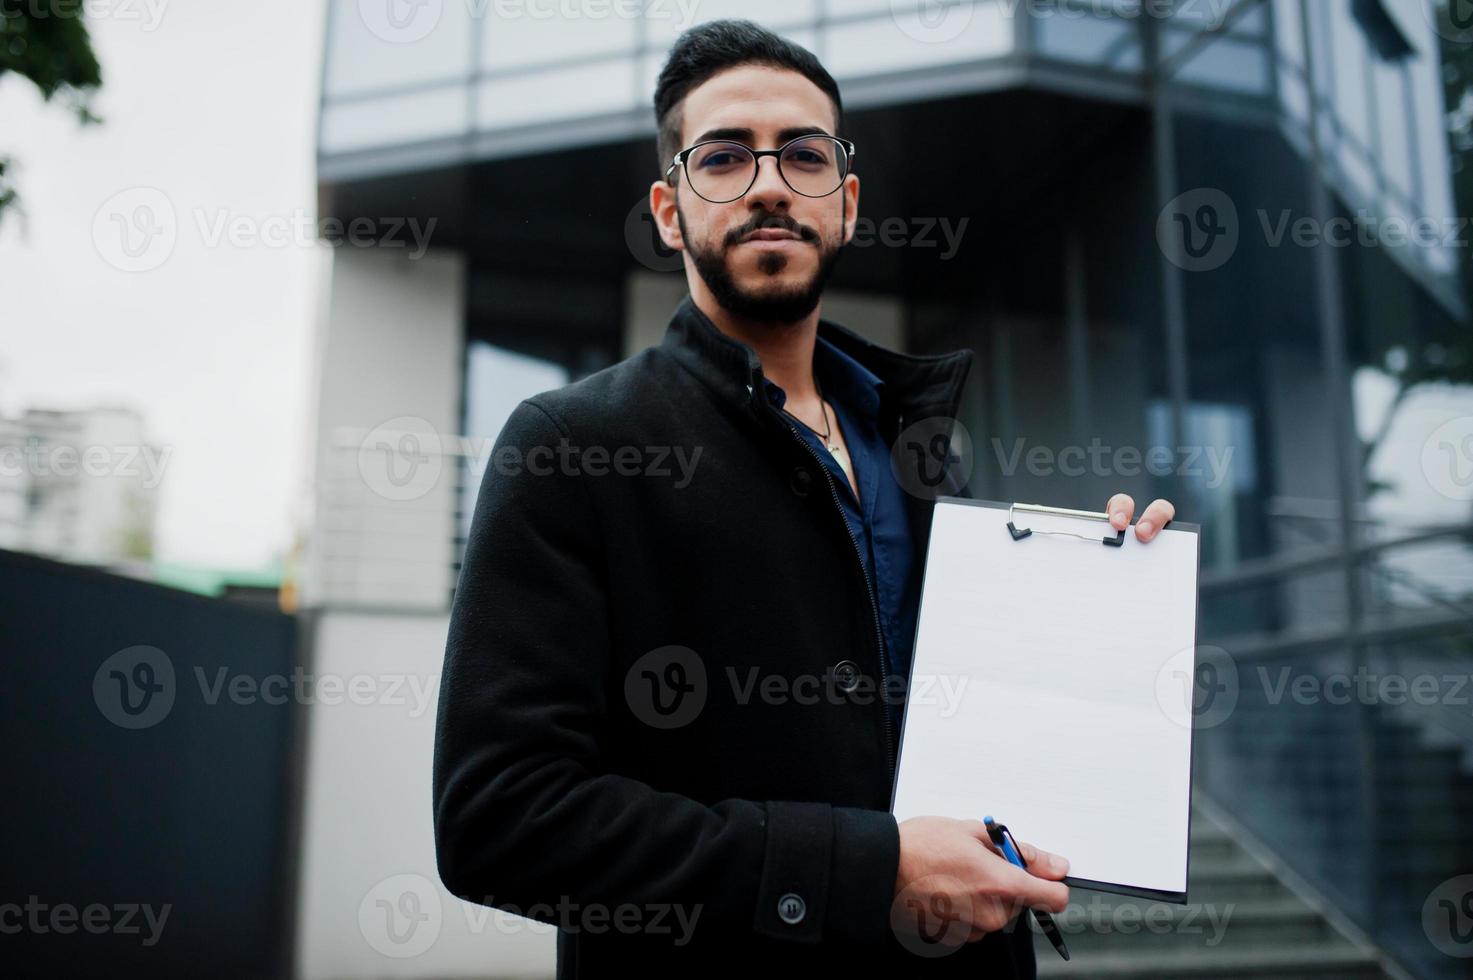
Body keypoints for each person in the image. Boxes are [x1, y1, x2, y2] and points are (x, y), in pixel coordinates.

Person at [431, 18, 1178, 978]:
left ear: (846, 201)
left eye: (804, 155)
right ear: (669, 210)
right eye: (726, 156)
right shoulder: (572, 445)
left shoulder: (919, 451)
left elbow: (977, 737)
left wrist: (1104, 606)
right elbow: (499, 819)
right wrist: (868, 872)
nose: (771, 181)